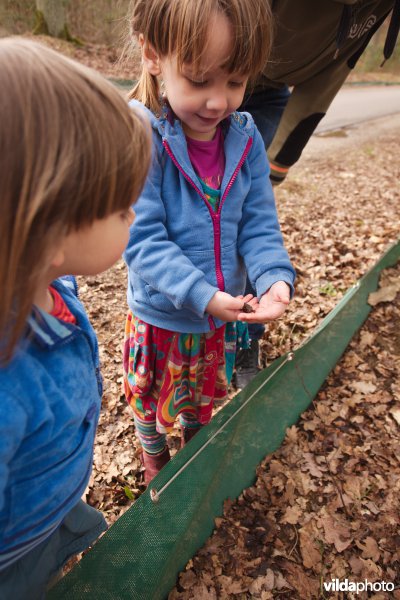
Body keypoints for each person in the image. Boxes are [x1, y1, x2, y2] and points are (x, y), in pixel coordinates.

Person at [0, 38, 150, 599]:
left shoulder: (47, 285)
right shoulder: (8, 380)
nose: (134, 216)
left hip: (46, 503)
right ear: (50, 231)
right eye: (120, 208)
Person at [122, 0, 296, 485]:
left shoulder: (244, 138)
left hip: (221, 318)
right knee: (152, 402)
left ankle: (193, 459)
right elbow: (141, 237)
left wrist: (273, 278)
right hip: (164, 318)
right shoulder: (142, 134)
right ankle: (155, 460)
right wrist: (204, 296)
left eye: (236, 81)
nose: (218, 102)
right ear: (153, 54)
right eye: (199, 80)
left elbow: (258, 225)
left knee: (200, 401)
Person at [235, 0, 400, 387]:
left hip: (269, 87)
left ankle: (245, 337)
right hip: (203, 69)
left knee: (247, 211)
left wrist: (270, 174)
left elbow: (330, 75)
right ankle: (176, 327)